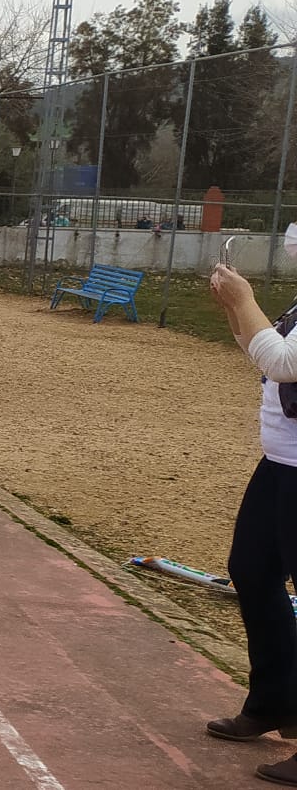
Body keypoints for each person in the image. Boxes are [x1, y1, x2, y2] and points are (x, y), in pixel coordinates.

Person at [206, 256, 297, 785]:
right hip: (282, 463)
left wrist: (246, 301)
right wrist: (235, 314)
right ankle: (275, 701)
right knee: (253, 571)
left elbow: (286, 364)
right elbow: (265, 356)